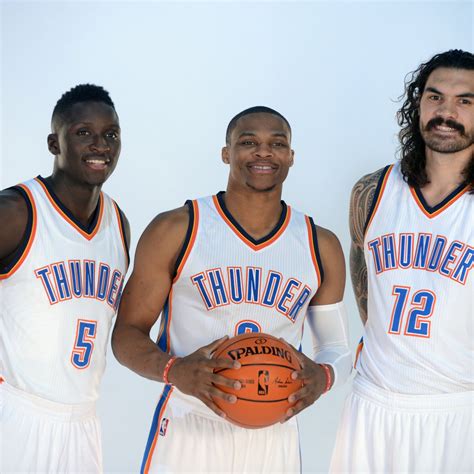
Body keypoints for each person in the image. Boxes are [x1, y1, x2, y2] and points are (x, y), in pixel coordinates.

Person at [112, 106, 352, 473]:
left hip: (274, 432)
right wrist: (174, 369)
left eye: (277, 144)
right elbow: (126, 334)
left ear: (291, 156)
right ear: (226, 153)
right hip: (190, 424)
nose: (263, 152)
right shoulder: (178, 229)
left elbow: (337, 348)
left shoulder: (320, 244)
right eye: (248, 142)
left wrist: (324, 377)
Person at [330, 49, 474, 473]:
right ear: (418, 103)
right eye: (435, 97)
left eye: (465, 101)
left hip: (458, 408)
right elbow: (366, 292)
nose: (446, 112)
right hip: (372, 404)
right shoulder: (372, 191)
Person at [0, 84, 130, 473]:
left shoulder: (118, 223)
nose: (100, 145)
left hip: (84, 422)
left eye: (111, 134)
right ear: (54, 143)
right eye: (83, 132)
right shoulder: (16, 212)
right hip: (17, 414)